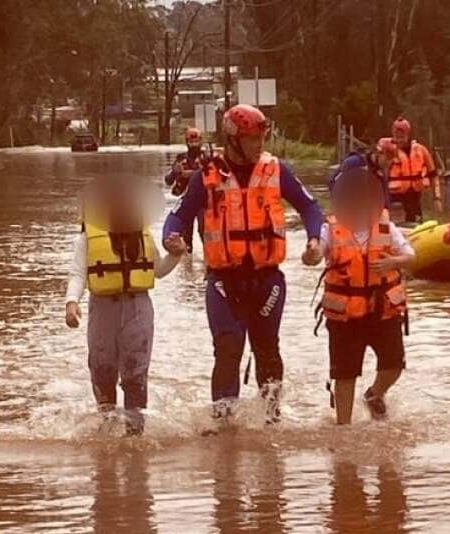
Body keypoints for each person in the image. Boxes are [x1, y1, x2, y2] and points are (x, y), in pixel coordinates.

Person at [163, 104, 325, 429]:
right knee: (228, 348)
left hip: (267, 281)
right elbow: (177, 216)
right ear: (234, 140)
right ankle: (225, 427)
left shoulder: (278, 171)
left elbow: (310, 208)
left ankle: (271, 420)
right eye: (253, 139)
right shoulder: (206, 176)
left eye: (262, 137)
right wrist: (172, 238)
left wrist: (315, 241)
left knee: (267, 350)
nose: (260, 144)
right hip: (224, 281)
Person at [65, 175, 188, 436]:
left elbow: (157, 271)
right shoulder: (87, 239)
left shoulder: (143, 237)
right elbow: (78, 273)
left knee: (135, 372)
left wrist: (175, 255)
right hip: (103, 308)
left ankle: (135, 432)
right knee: (102, 368)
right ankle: (107, 426)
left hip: (138, 308)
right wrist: (71, 303)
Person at [303, 166, 415, 425]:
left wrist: (393, 262)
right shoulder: (329, 229)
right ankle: (344, 428)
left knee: (394, 365)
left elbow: (411, 256)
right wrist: (311, 254)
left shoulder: (387, 226)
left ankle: (375, 393)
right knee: (345, 375)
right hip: (345, 317)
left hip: (382, 310)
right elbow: (314, 253)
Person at [388, 116, 442, 224]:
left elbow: (433, 175)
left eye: (402, 136)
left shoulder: (421, 150)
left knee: (415, 225)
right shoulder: (388, 151)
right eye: (397, 136)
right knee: (393, 228)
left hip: (414, 197)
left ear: (408, 135)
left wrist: (437, 197)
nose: (399, 139)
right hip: (393, 198)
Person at [328, 137, 400, 211]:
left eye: (392, 159)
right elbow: (333, 182)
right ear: (378, 153)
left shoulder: (381, 174)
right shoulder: (354, 162)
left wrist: (385, 211)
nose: (389, 163)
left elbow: (385, 199)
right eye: (388, 158)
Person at [164, 127, 207, 197]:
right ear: (187, 143)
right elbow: (168, 181)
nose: (194, 145)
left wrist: (193, 174)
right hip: (186, 197)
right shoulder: (181, 159)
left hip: (203, 196)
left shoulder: (207, 157)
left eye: (196, 142)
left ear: (200, 142)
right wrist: (175, 172)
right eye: (191, 142)